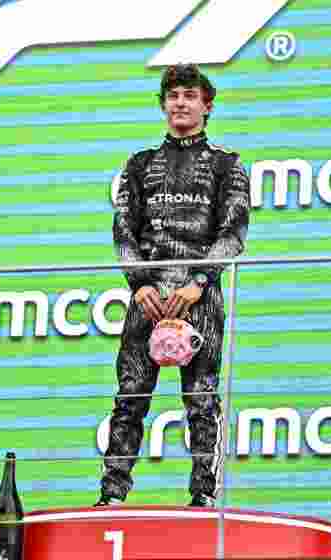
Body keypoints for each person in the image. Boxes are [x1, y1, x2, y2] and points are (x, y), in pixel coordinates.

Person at [98, 64, 250, 508]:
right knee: (129, 398)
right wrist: (140, 285)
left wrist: (199, 282)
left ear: (207, 105)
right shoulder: (139, 164)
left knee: (202, 403)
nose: (180, 103)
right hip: (146, 299)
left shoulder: (227, 165)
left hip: (199, 297)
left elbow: (233, 233)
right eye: (173, 96)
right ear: (163, 105)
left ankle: (204, 495)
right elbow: (123, 229)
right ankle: (111, 496)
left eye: (190, 95)